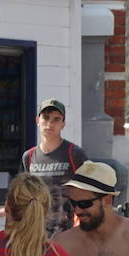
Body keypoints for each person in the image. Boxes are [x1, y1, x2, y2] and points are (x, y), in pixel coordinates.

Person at [22, 99, 89, 236]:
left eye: (56, 119)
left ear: (63, 124)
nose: (50, 123)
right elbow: (24, 196)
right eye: (45, 118)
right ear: (37, 120)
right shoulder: (28, 157)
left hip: (68, 231)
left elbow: (90, 191)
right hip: (36, 233)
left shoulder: (75, 153)